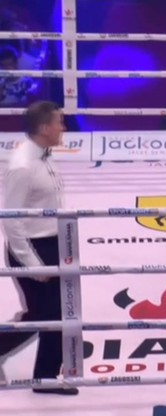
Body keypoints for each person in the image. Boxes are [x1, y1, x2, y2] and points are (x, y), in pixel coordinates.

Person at [0, 100, 78, 395]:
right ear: (45, 128)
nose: (63, 127)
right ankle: (44, 378)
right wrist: (32, 263)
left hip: (53, 242)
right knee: (46, 314)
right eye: (59, 122)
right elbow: (11, 220)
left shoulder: (45, 156)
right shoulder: (23, 166)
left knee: (54, 313)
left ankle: (45, 376)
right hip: (31, 247)